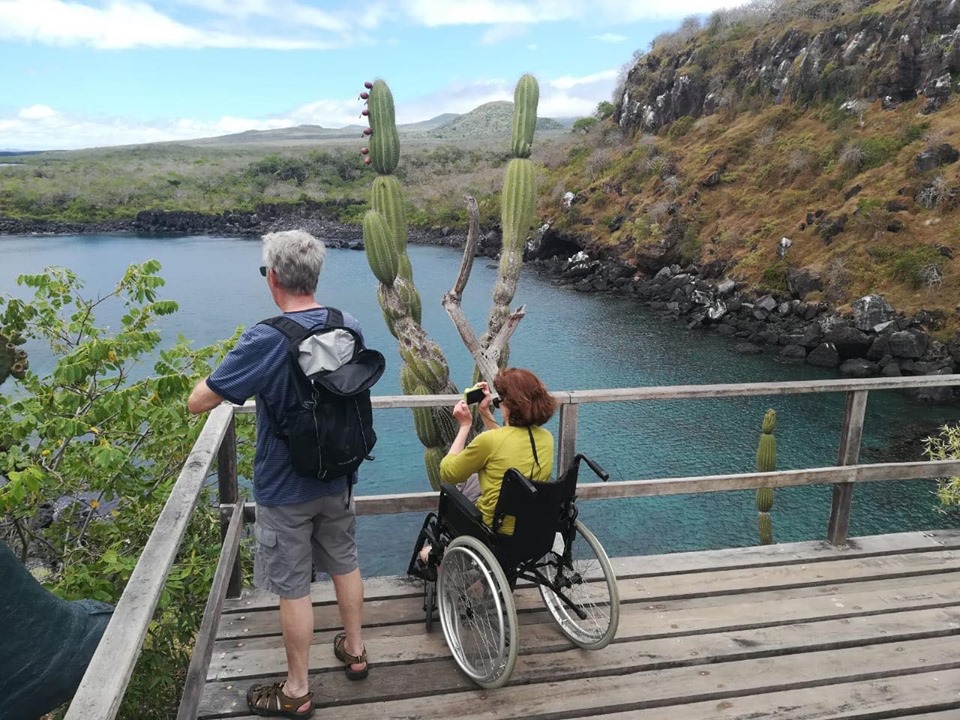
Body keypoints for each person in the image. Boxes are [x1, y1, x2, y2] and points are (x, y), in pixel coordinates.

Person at [187, 230, 368, 720]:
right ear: (315, 274)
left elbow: (200, 400)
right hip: (340, 473)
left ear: (273, 278)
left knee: (293, 587)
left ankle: (297, 690)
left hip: (286, 485)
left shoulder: (267, 337)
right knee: (344, 563)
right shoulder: (346, 323)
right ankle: (355, 651)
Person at [416, 368, 557, 570]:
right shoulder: (546, 438)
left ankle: (441, 556)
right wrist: (485, 412)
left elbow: (447, 472)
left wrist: (464, 426)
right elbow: (508, 444)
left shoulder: (489, 441)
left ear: (510, 405)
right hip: (531, 526)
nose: (498, 404)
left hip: (493, 531)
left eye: (501, 401)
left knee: (454, 492)